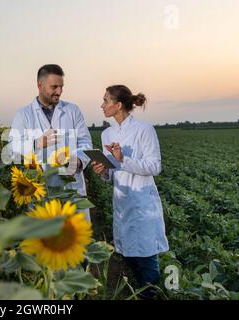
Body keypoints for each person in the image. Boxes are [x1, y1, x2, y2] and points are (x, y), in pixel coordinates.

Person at [91, 85, 169, 298]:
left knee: (146, 258)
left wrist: (123, 159)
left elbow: (154, 166)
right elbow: (112, 174)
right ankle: (143, 291)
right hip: (121, 202)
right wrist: (103, 170)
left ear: (118, 105)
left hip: (142, 202)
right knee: (127, 256)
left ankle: (151, 294)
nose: (102, 105)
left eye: (106, 100)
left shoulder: (144, 130)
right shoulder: (107, 134)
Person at [10, 64, 93, 221]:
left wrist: (79, 161)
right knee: (46, 241)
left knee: (77, 239)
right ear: (40, 85)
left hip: (71, 188)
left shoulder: (72, 110)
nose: (59, 91)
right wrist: (36, 144)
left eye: (61, 87)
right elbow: (12, 147)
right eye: (54, 87)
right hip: (41, 192)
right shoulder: (24, 115)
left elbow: (85, 142)